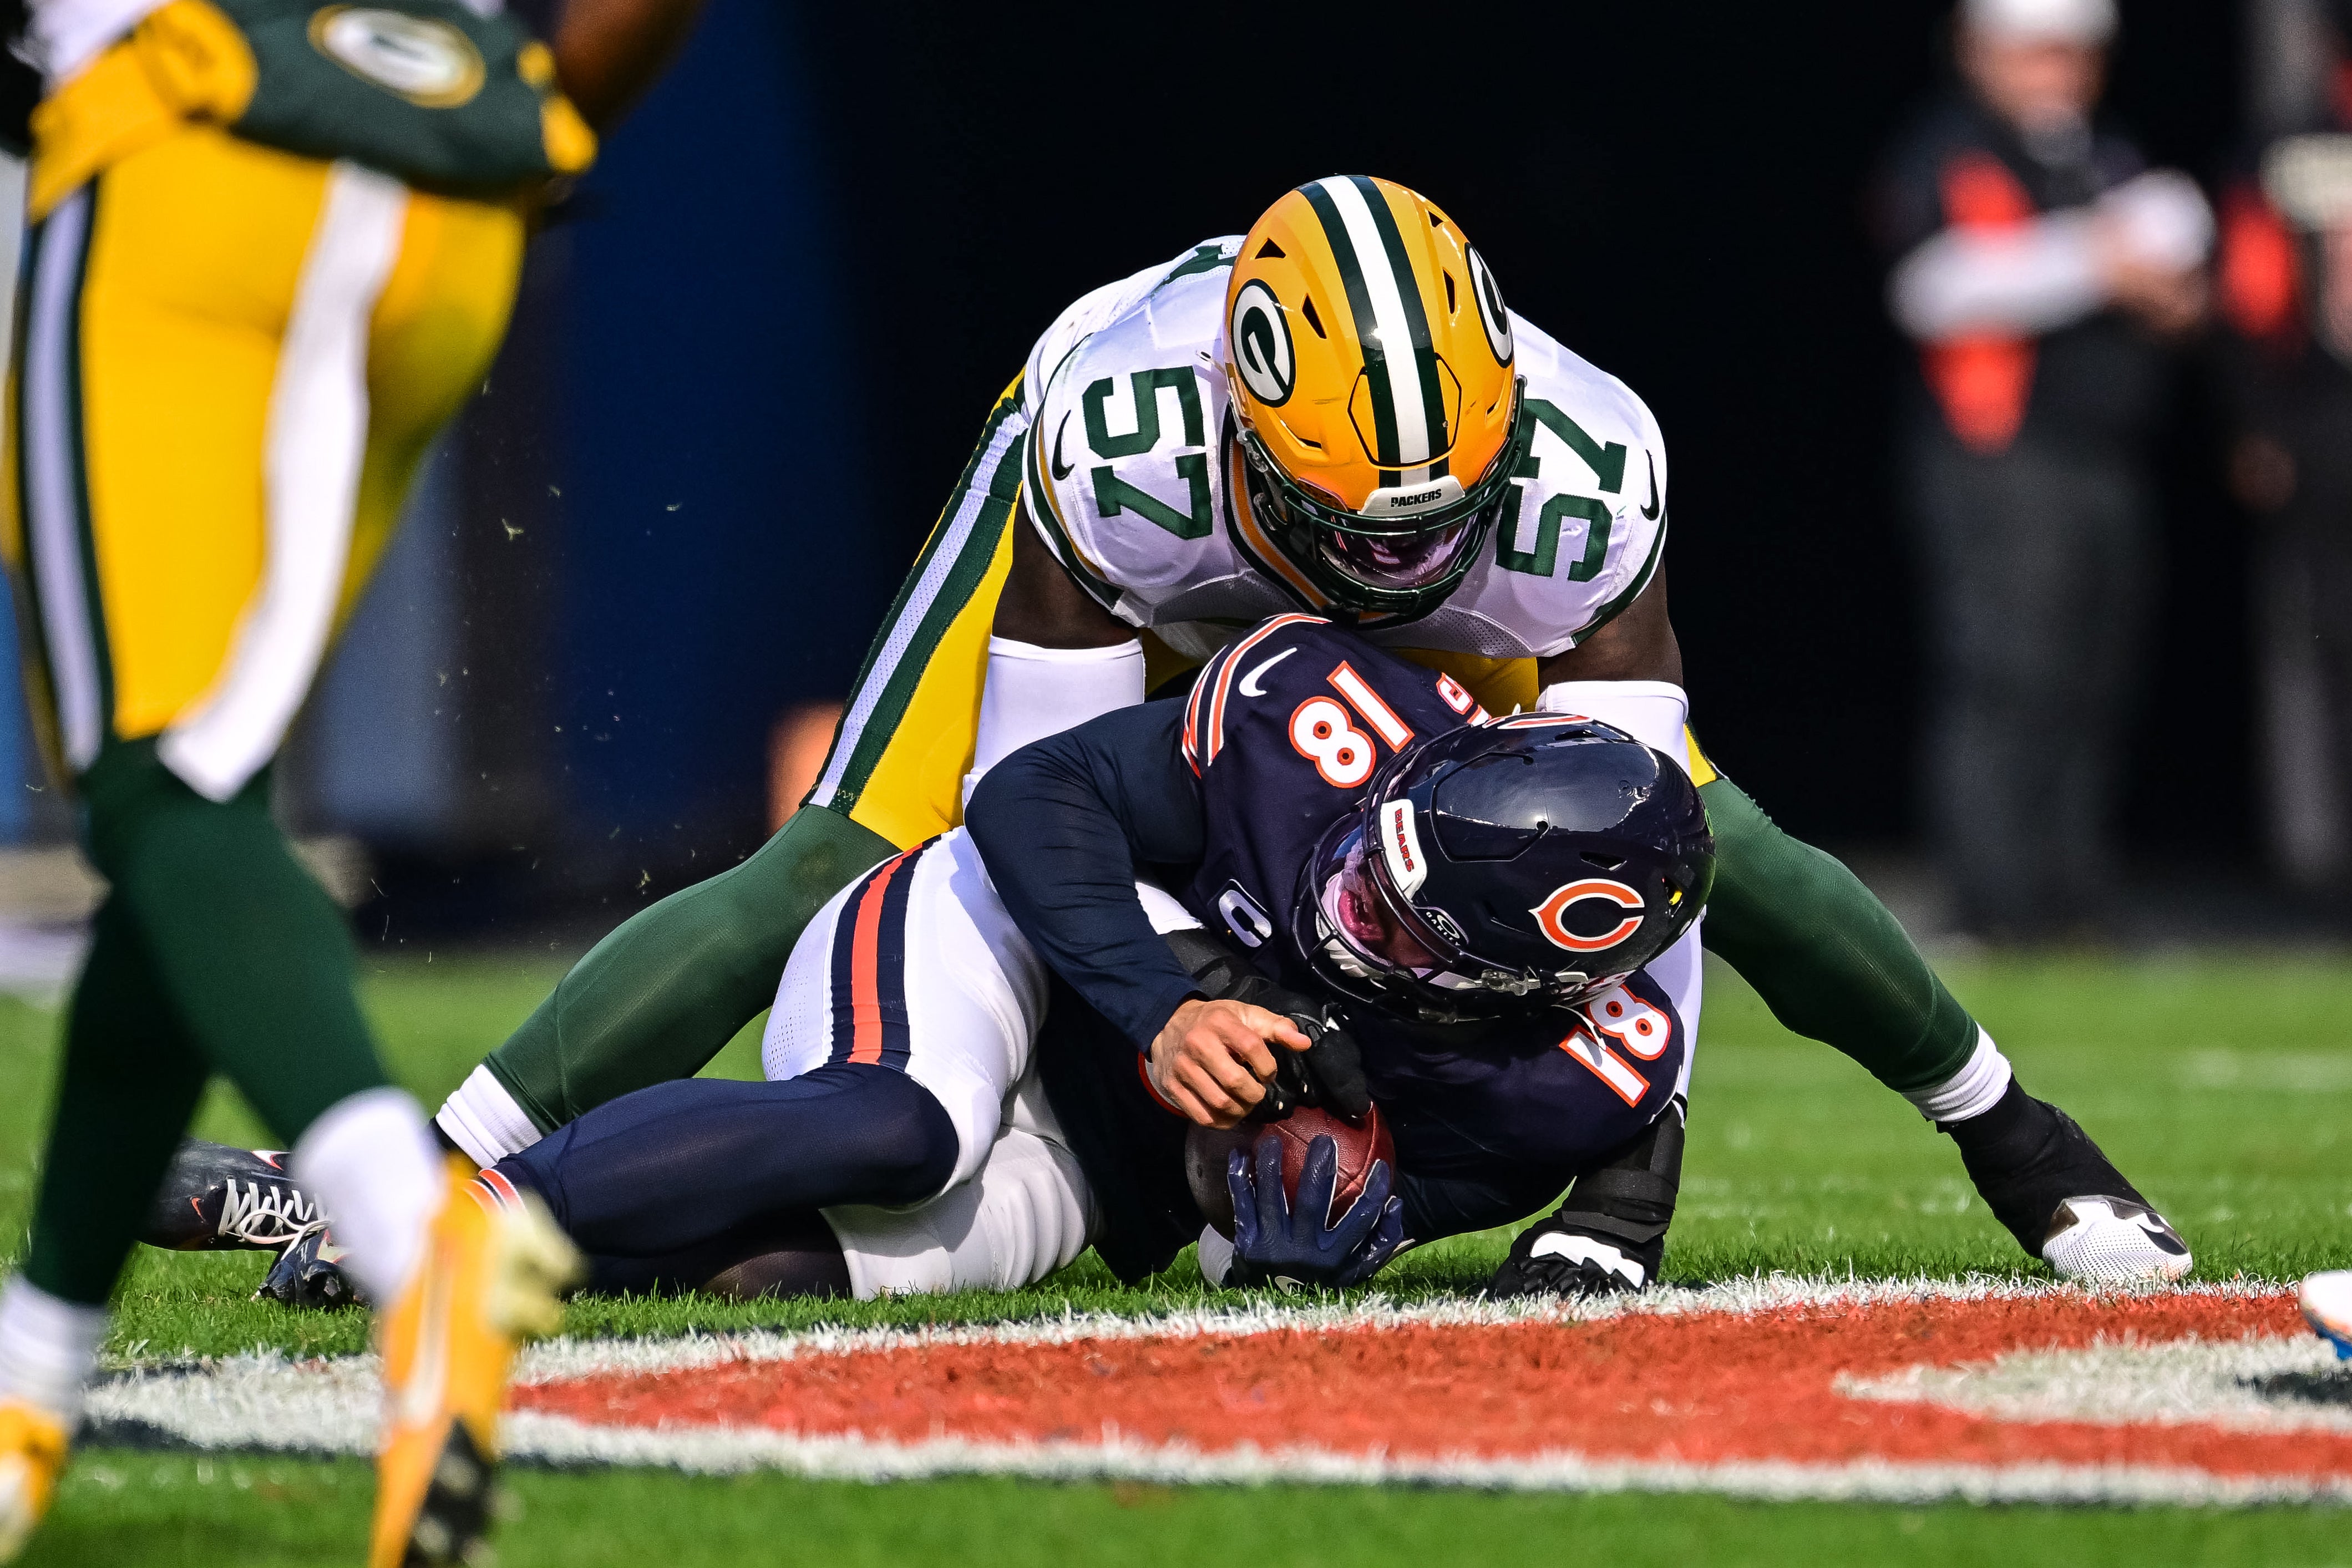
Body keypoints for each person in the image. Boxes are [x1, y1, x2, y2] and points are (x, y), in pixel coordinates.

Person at [423, 172, 2171, 1281]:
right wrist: (1190, 1002)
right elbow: (1046, 804)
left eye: (1438, 520)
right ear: (1241, 432)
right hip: (1156, 601)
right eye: (1361, 528)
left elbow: (1640, 866)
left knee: (1708, 835)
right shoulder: (1118, 439)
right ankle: (450, 1157)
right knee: (855, 845)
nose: (1397, 565)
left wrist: (1616, 1200)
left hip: (1412, 612)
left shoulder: (1576, 481)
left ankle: (2023, 1141)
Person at [0, 0, 702, 1559]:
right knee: (199, 804)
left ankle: (413, 1234)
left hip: (181, 146)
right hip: (447, 183)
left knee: (152, 782)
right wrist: (548, 110)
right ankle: (28, 1384)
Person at [1879, 0, 2212, 940]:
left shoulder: (2102, 152)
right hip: (1999, 458)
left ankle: (2068, 898)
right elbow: (1933, 286)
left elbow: (2179, 256)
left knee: (2094, 678)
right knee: (2006, 676)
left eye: (2074, 56)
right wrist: (2104, 259)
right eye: (2037, 55)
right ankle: (1992, 902)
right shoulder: (1951, 144)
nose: (2057, 76)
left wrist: (2173, 292)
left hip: (2107, 457)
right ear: (1981, 54)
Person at [2214, 0, 2352, 906]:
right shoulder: (2297, 139)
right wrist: (2256, 421)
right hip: (2329, 420)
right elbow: (2251, 291)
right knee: (2338, 641)